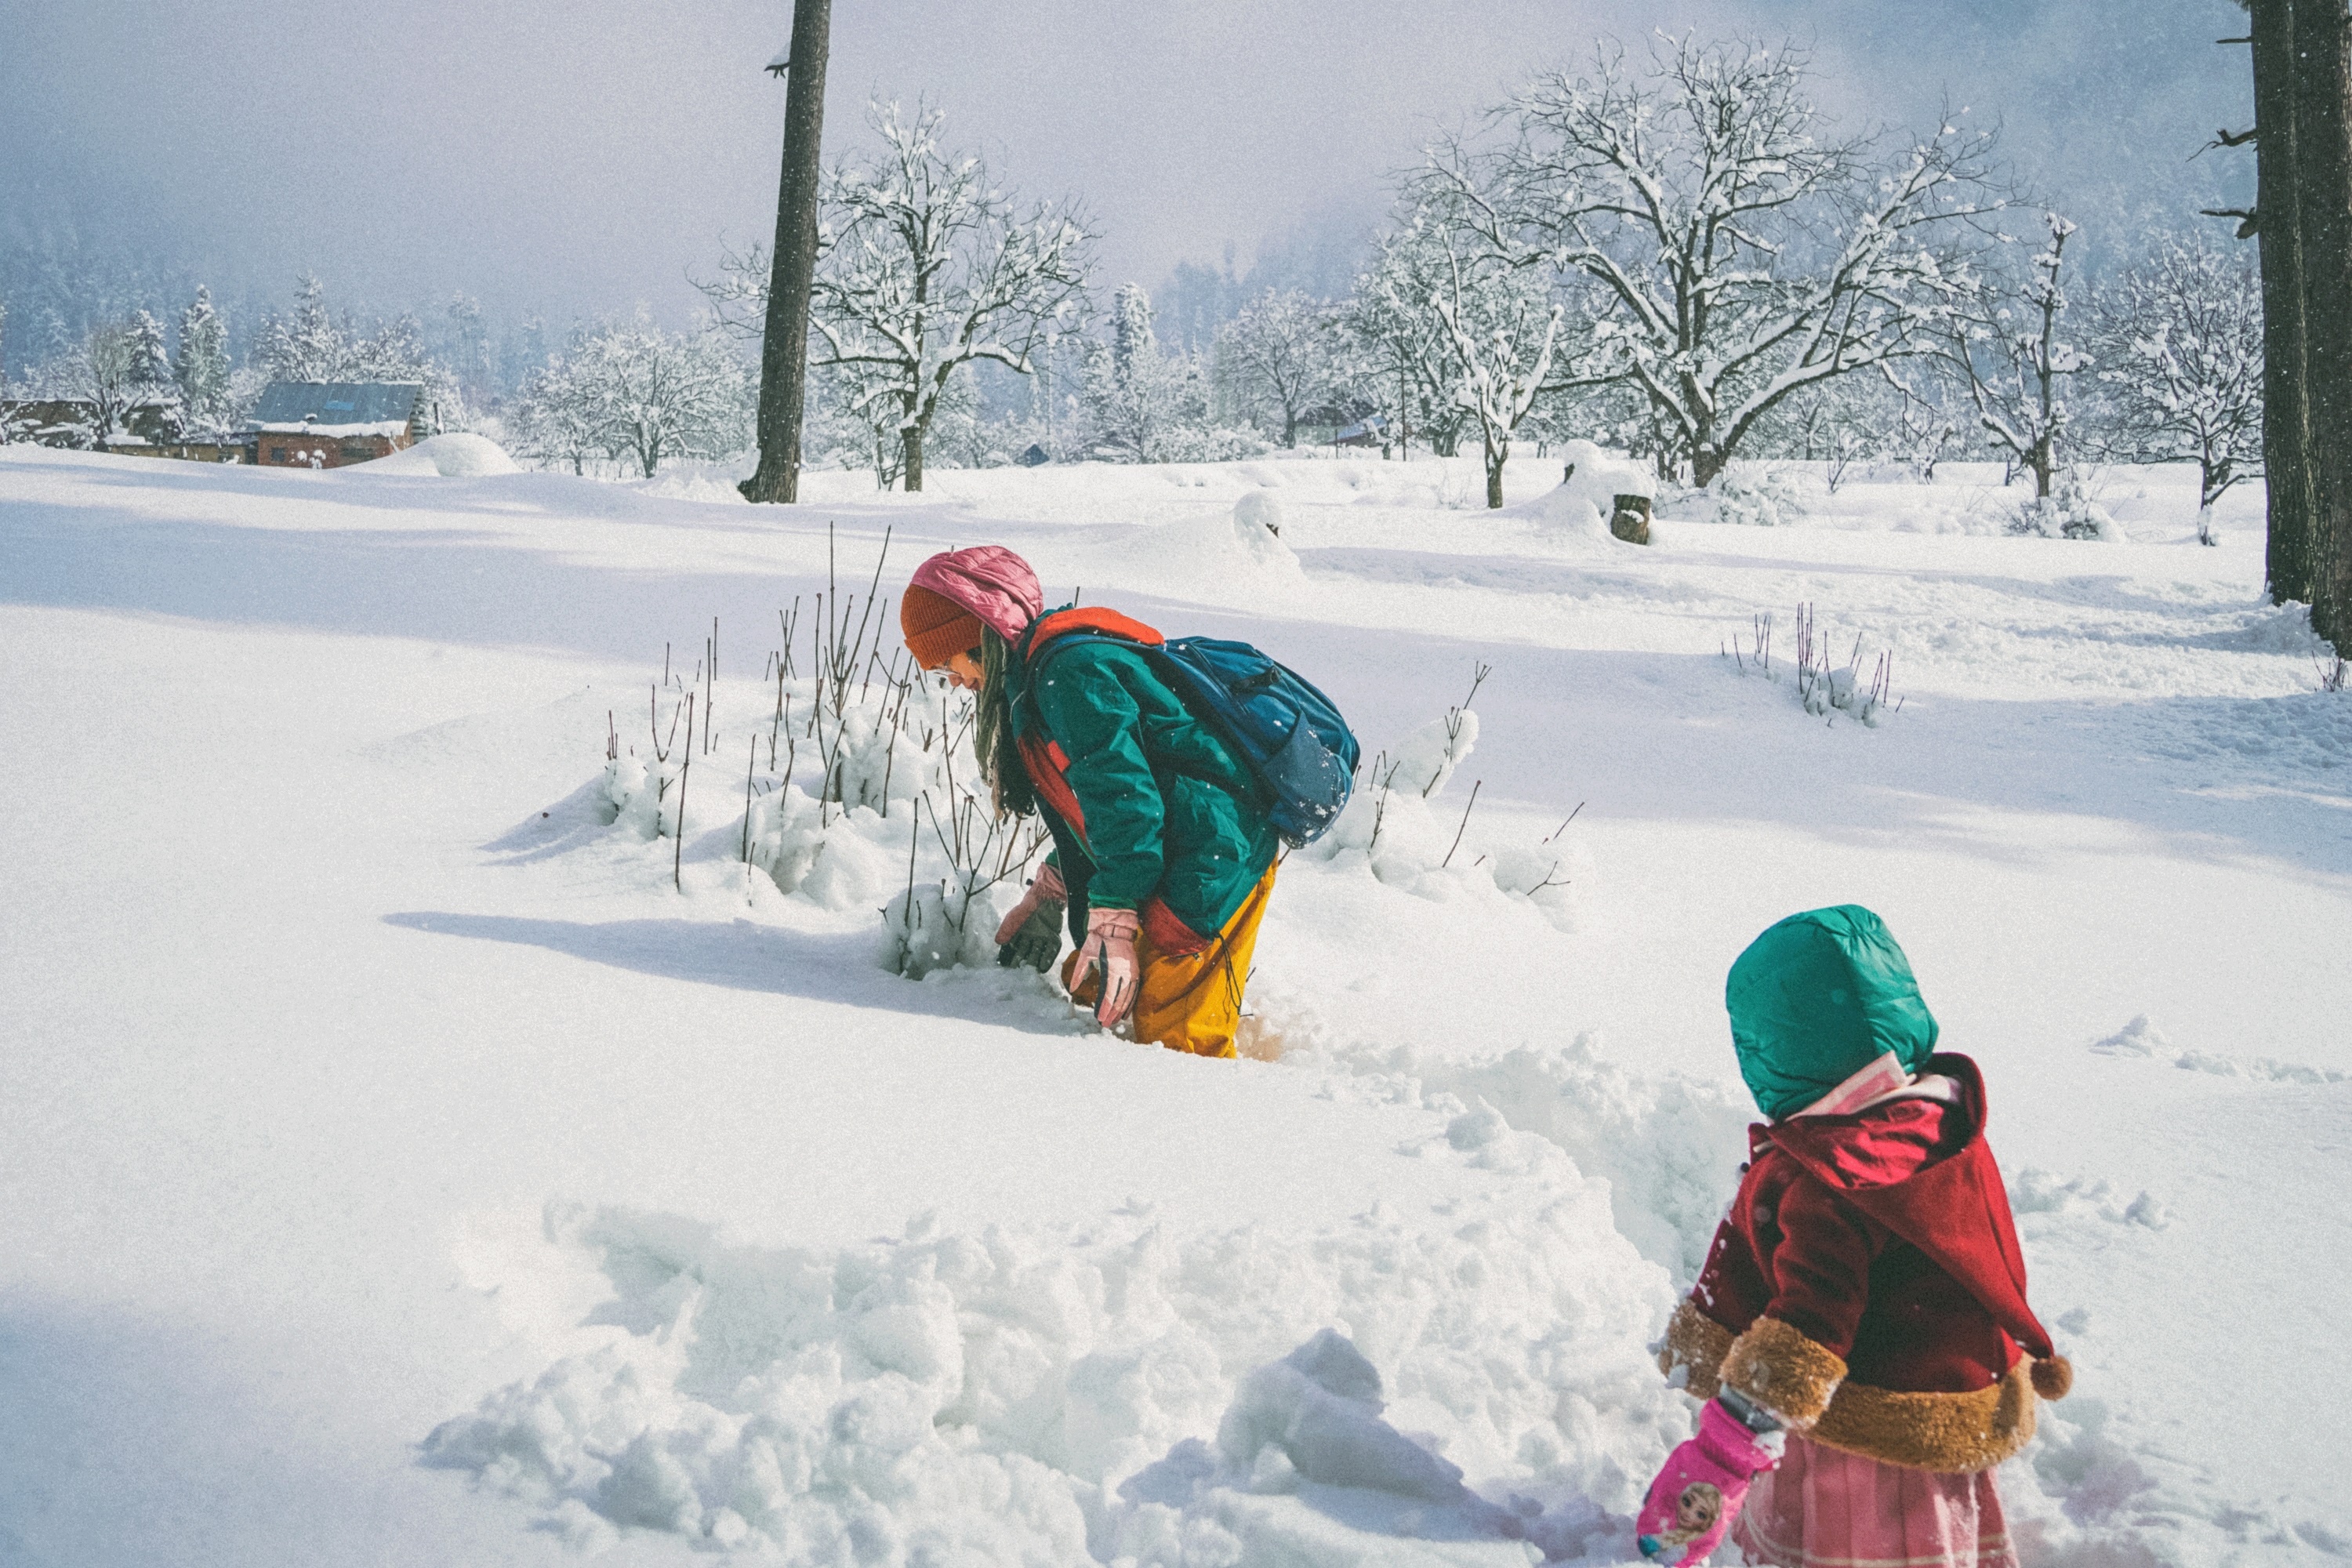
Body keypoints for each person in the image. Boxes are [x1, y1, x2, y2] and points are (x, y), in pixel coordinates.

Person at [1640, 906, 2072, 1568]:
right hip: (1940, 1409)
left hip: (1863, 1445)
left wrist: (1722, 1454)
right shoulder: (1939, 1125)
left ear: (1774, 1049)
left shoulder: (1835, 1181)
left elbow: (1805, 1336)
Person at [896, 545, 1279, 1058]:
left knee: (1175, 1047)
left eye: (950, 661)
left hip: (1210, 857)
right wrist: (1054, 887)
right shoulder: (1039, 678)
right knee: (1100, 994)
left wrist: (1116, 918)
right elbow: (1096, 804)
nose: (958, 681)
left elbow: (1127, 801)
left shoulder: (1070, 675)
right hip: (1183, 849)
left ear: (981, 634)